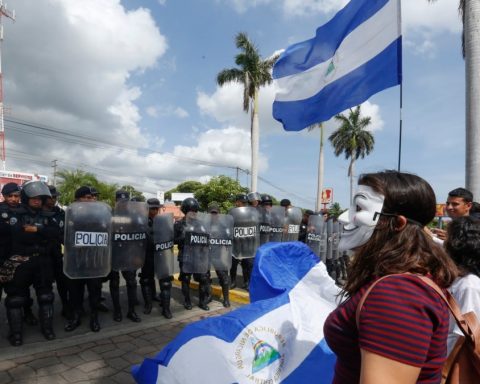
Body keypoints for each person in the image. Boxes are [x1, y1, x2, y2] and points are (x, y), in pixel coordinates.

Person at [324, 170, 458, 383]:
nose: (342, 218)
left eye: (359, 208)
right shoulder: (397, 279)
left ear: (397, 223)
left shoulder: (399, 293)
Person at [3, 181, 60, 346]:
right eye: (34, 198)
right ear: (27, 198)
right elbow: (19, 236)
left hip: (42, 261)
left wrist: (37, 230)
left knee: (46, 296)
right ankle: (16, 334)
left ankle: (47, 330)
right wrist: (42, 233)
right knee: (15, 299)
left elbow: (55, 234)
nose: (37, 201)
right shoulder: (16, 214)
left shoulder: (48, 216)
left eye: (40, 199)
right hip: (21, 261)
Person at [64, 186, 104, 332]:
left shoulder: (101, 216)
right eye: (87, 197)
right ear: (77, 199)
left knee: (95, 291)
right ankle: (75, 318)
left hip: (94, 260)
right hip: (76, 260)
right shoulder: (69, 215)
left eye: (94, 197)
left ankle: (94, 318)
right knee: (75, 292)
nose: (92, 200)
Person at [443, 216, 480, 355]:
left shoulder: (468, 285)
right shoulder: (459, 279)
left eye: (448, 237)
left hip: (452, 364)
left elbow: (464, 335)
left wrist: (444, 372)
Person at [107, 190, 141, 322]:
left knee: (131, 282)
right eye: (120, 201)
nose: (122, 204)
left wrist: (137, 254)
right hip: (114, 253)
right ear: (116, 201)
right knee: (114, 282)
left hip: (129, 253)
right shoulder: (109, 215)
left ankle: (131, 311)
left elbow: (140, 236)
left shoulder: (135, 216)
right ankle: (117, 310)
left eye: (125, 202)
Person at [175, 197, 211, 311]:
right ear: (185, 211)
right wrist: (184, 238)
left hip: (199, 256)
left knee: (203, 279)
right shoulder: (179, 224)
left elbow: (207, 237)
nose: (194, 213)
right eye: (191, 211)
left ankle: (202, 302)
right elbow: (173, 240)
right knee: (185, 279)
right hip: (185, 256)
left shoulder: (201, 224)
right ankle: (187, 301)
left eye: (195, 211)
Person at [140, 198, 173, 319]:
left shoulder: (164, 221)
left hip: (162, 254)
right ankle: (148, 305)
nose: (154, 211)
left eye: (156, 208)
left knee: (165, 283)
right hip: (147, 256)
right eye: (152, 208)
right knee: (146, 280)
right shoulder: (141, 222)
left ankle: (166, 309)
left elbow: (170, 236)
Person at [208, 202, 231, 307]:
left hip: (218, 255)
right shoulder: (204, 225)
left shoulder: (223, 226)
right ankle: (207, 297)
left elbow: (229, 239)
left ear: (219, 213)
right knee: (205, 278)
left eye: (215, 213)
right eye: (212, 213)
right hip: (206, 255)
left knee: (224, 277)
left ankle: (226, 299)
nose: (214, 215)